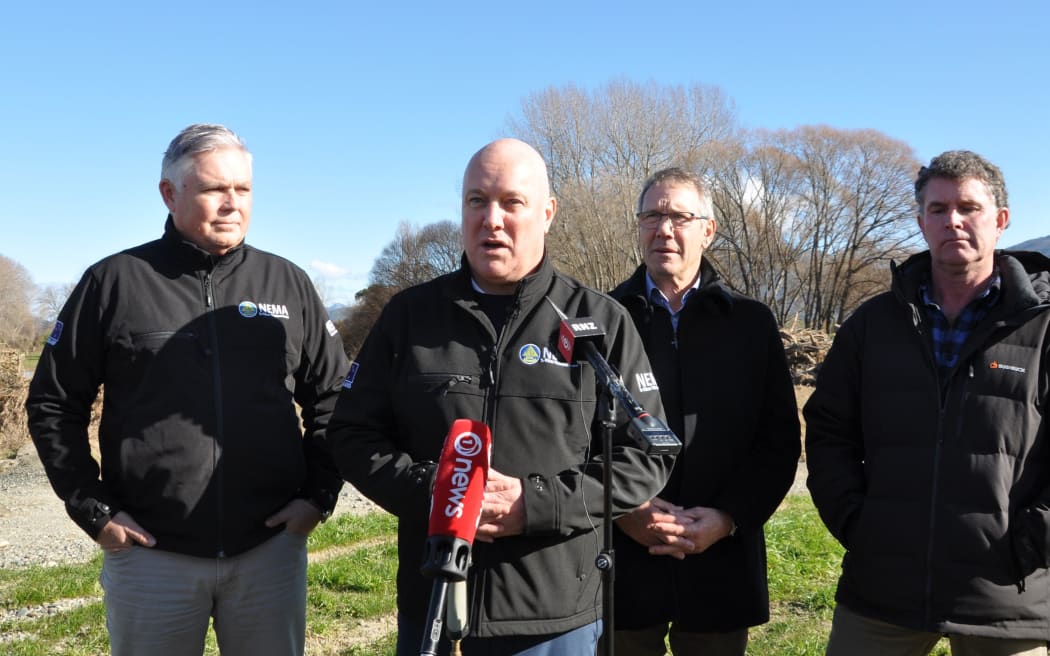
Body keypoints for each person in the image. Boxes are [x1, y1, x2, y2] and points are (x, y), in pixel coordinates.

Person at [326, 138, 674, 655]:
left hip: (555, 619)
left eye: (512, 202)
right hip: (432, 610)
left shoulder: (601, 321)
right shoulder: (409, 316)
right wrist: (440, 494)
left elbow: (647, 454)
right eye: (476, 201)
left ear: (548, 212)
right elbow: (352, 433)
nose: (492, 219)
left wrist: (534, 505)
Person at [25, 123, 349, 656]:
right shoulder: (115, 282)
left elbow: (336, 398)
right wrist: (92, 507)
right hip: (152, 556)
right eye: (213, 189)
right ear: (169, 194)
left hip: (268, 552)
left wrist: (318, 496)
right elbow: (53, 402)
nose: (232, 204)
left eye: (243, 190)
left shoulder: (287, 284)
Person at [805, 150, 1050, 656]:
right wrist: (858, 522)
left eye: (969, 207)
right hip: (882, 589)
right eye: (937, 210)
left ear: (1001, 220)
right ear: (921, 222)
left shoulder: (1044, 326)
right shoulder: (873, 325)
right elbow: (829, 429)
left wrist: (1032, 540)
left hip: (1008, 594)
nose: (953, 221)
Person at [608, 167, 801, 655]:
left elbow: (777, 443)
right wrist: (626, 510)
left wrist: (727, 518)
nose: (664, 229)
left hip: (722, 560)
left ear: (708, 230)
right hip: (625, 557)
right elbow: (577, 436)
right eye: (651, 215)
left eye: (679, 216)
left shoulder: (750, 324)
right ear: (638, 227)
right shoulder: (604, 319)